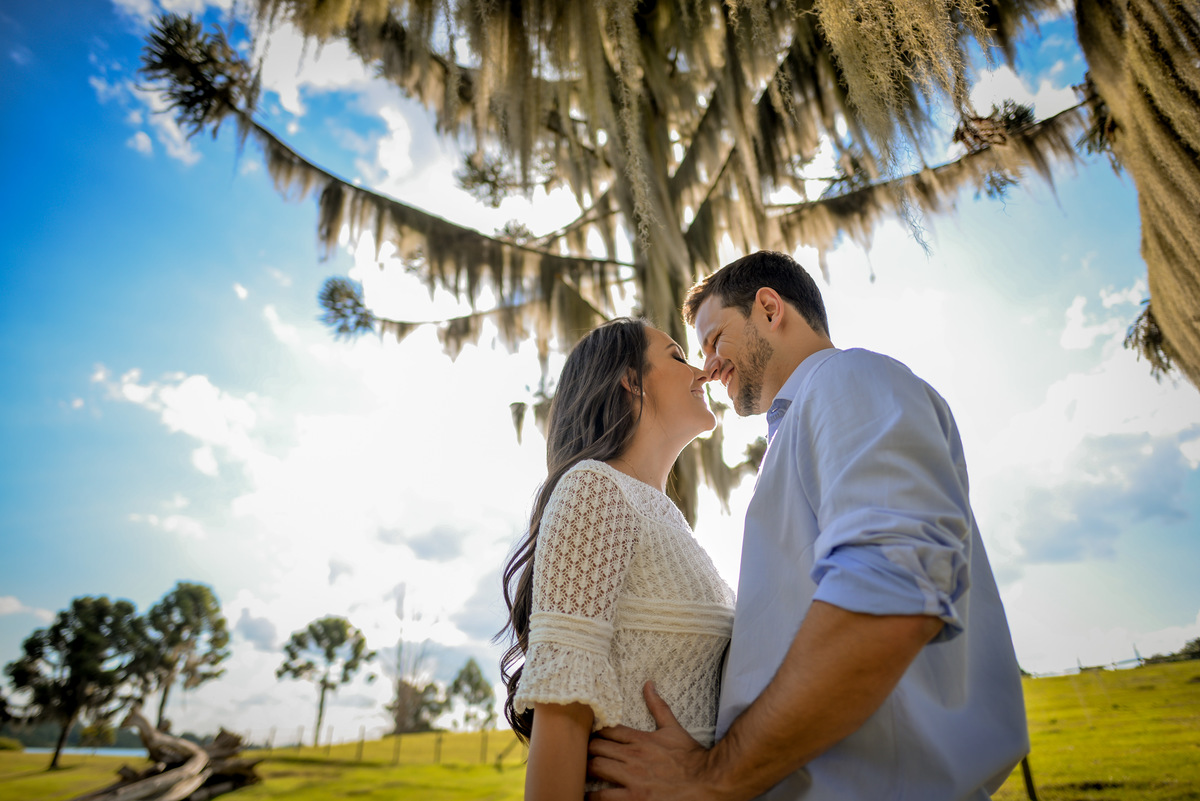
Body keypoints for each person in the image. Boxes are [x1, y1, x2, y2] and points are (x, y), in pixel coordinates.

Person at [587, 251, 1028, 800]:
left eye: (714, 338)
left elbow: (891, 587)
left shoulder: (848, 379)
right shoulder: (802, 426)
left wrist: (716, 775)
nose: (707, 367)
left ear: (769, 308)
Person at [498, 317, 736, 800]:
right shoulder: (595, 489)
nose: (702, 371)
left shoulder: (666, 519)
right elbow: (562, 710)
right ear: (630, 379)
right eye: (676, 355)